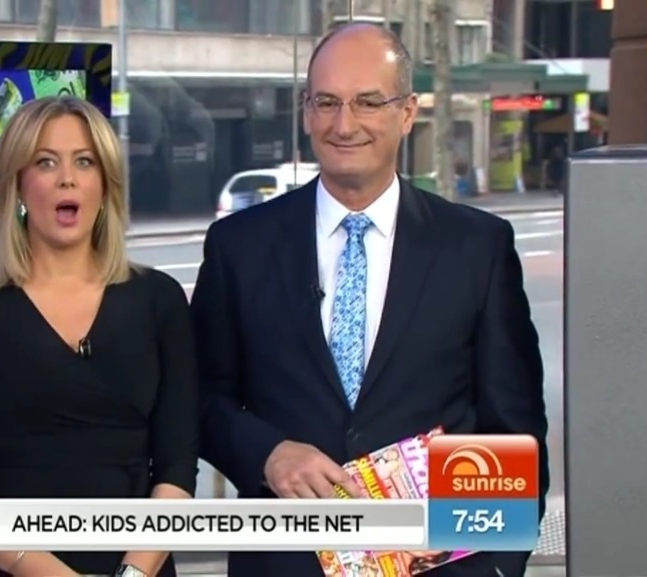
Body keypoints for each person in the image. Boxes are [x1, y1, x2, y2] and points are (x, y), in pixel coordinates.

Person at [191, 24, 548, 577]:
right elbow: (198, 395)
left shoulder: (477, 248)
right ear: (306, 112)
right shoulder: (240, 246)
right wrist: (267, 453)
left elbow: (513, 430)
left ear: (407, 113)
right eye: (327, 102)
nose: (344, 124)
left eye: (368, 102)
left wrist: (487, 566)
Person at [0, 96, 198, 577]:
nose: (67, 178)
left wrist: (132, 573)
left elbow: (177, 471)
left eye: (84, 162)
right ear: (17, 184)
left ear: (106, 184)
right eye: (46, 162)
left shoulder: (160, 301)